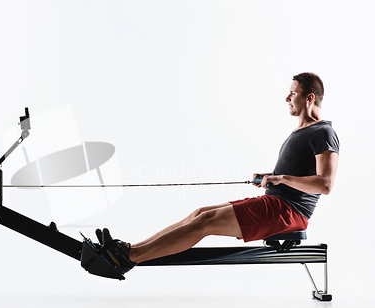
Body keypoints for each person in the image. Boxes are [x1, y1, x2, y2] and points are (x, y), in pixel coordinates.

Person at [97, 72, 340, 274]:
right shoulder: (303, 132)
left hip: (289, 212)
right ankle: (127, 249)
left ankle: (130, 257)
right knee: (200, 213)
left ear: (309, 98)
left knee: (204, 223)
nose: (287, 97)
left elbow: (325, 184)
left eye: (293, 93)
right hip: (275, 202)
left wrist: (280, 178)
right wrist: (271, 176)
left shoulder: (323, 133)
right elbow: (298, 173)